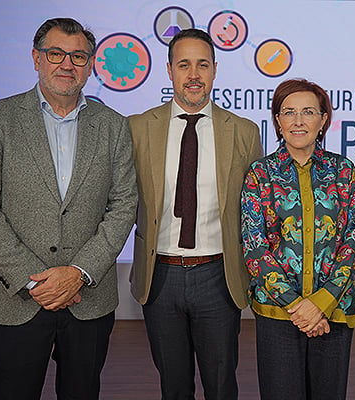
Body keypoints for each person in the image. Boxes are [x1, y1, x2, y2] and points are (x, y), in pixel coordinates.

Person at [0, 17, 137, 400]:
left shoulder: (114, 126)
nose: (67, 64)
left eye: (78, 56)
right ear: (36, 59)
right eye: (55, 53)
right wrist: (35, 281)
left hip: (86, 301)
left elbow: (123, 206)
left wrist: (78, 273)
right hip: (12, 301)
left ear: (90, 65)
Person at [128, 28, 263, 399]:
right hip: (160, 277)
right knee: (173, 386)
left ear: (215, 70)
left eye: (202, 64)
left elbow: (256, 210)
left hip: (218, 276)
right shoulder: (138, 128)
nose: (193, 74)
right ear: (169, 70)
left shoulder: (244, 132)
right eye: (184, 64)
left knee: (221, 384)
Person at [241, 78, 355, 399]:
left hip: (333, 312)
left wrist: (321, 304)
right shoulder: (260, 173)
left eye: (308, 112)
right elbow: (255, 249)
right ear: (278, 121)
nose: (298, 121)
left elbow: (352, 242)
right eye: (289, 112)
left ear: (323, 120)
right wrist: (299, 308)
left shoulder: (344, 171)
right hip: (279, 313)